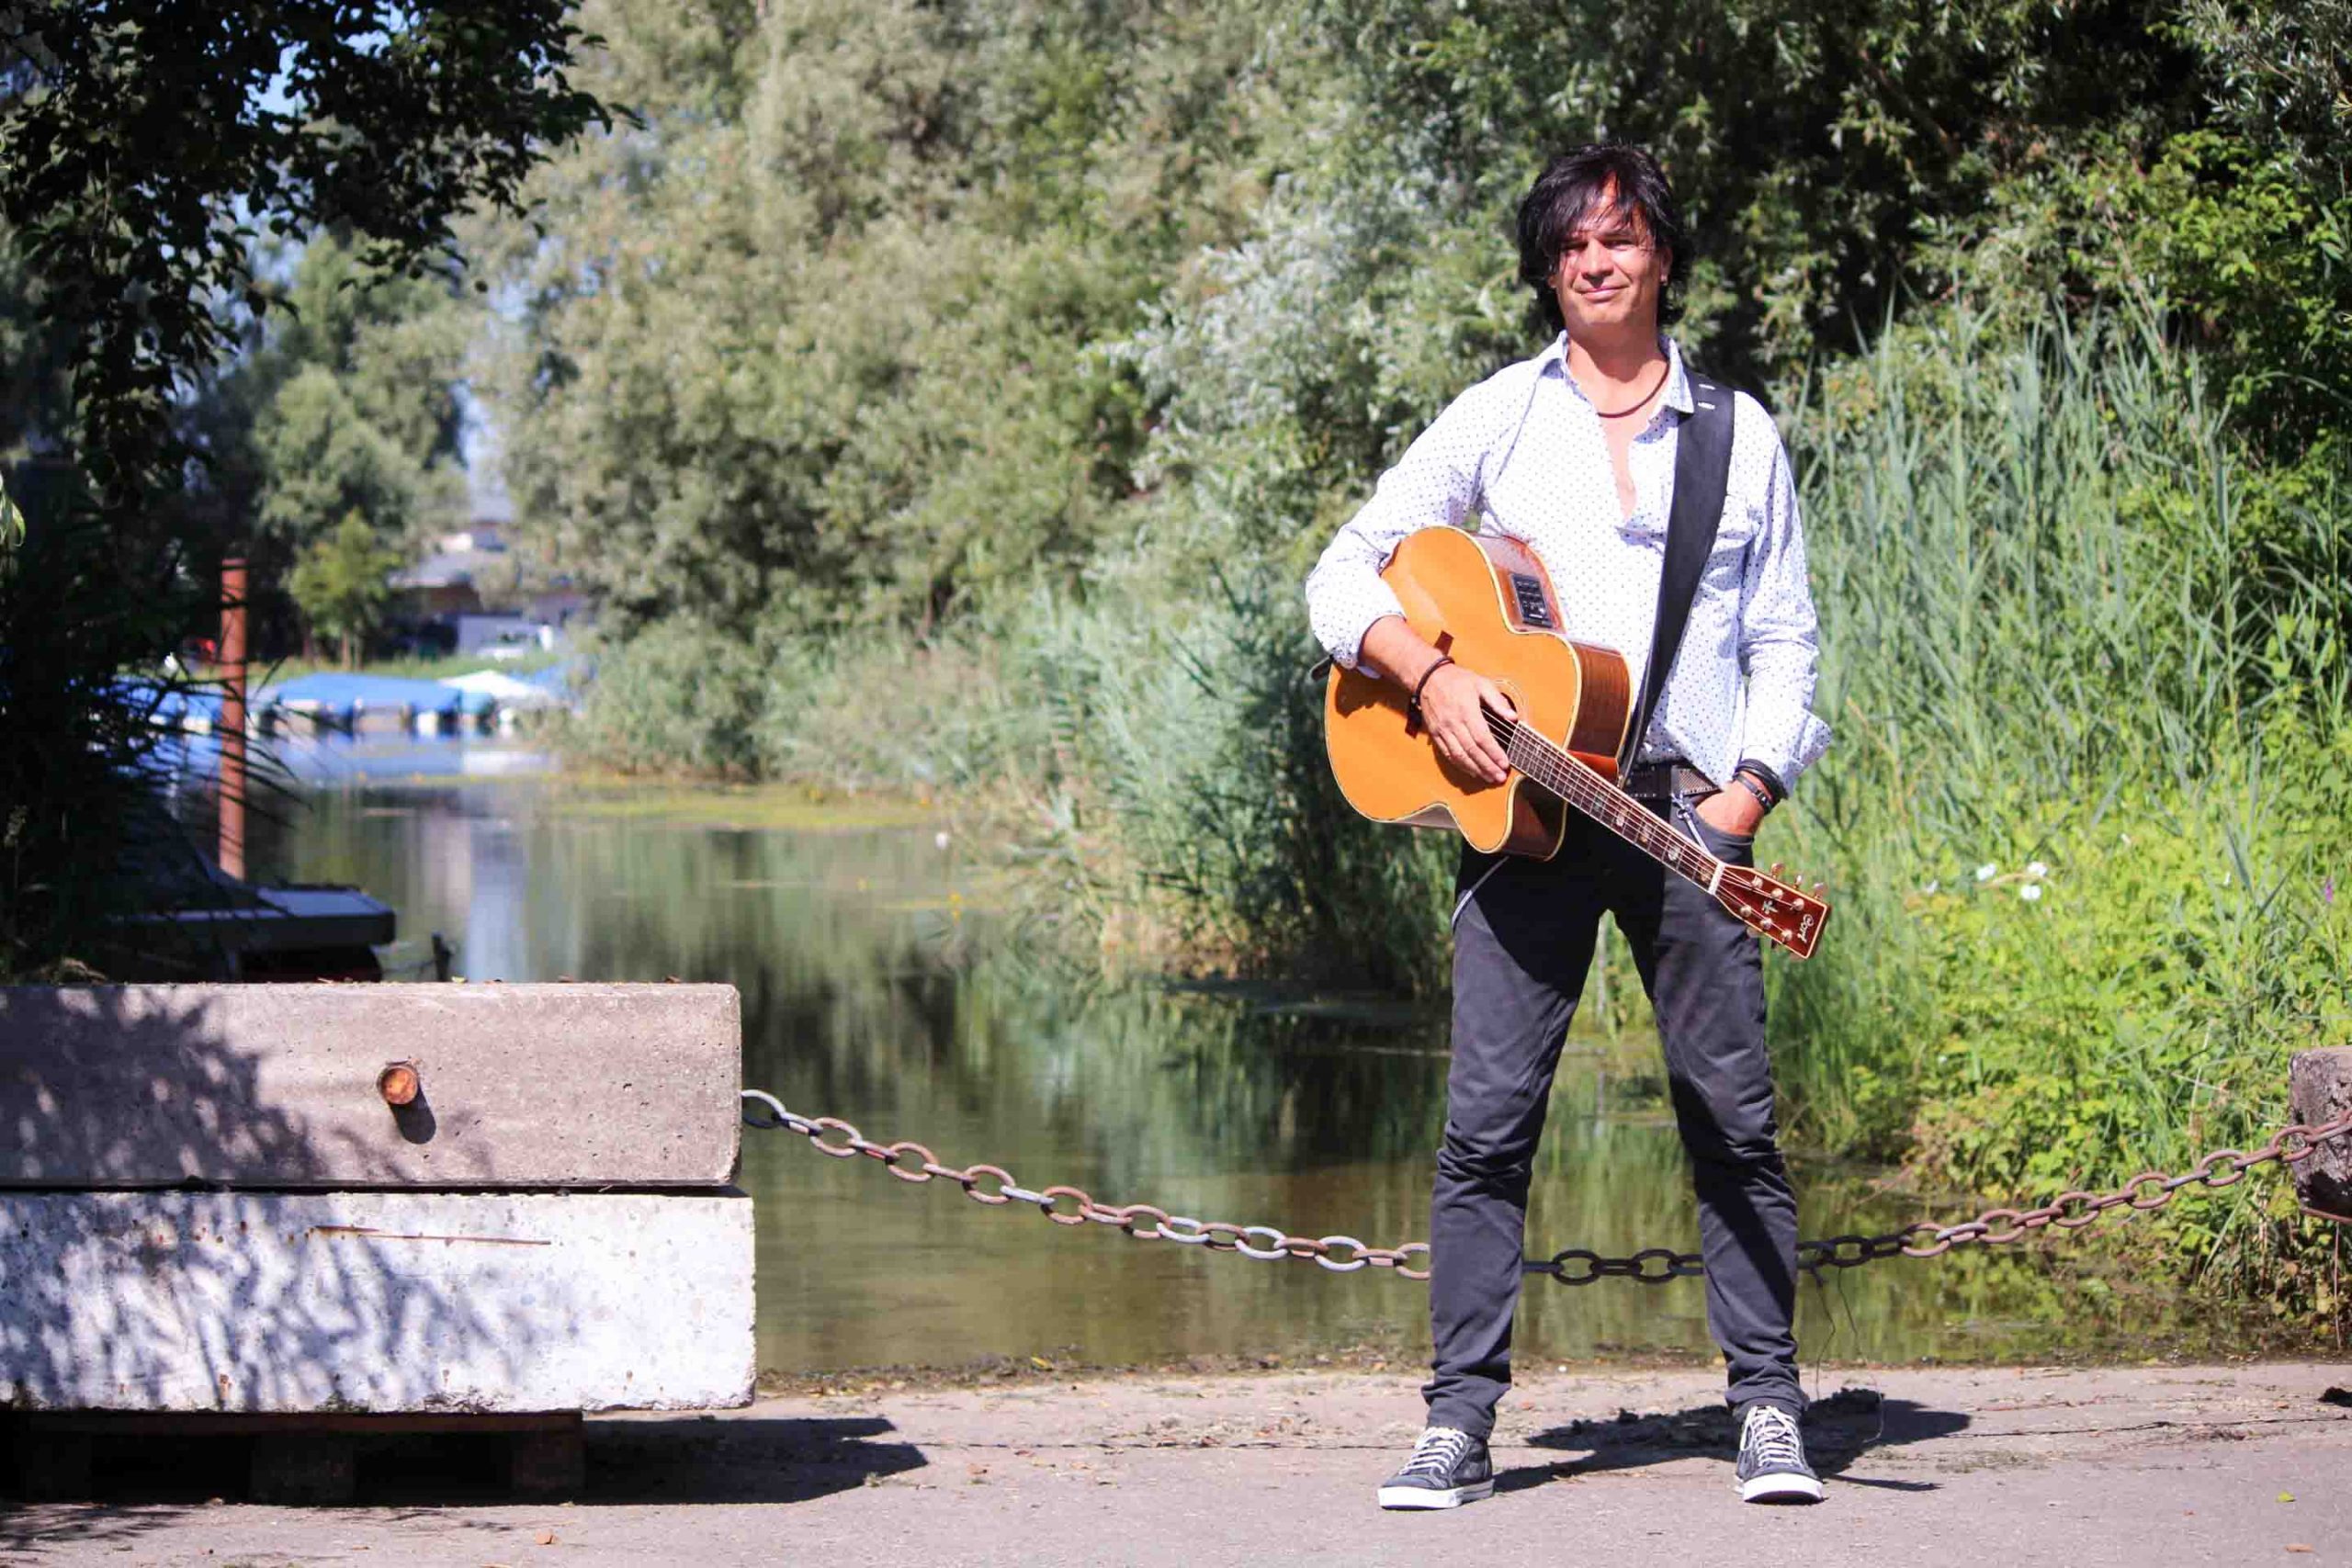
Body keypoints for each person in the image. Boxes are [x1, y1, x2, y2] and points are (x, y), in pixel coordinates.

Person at [1303, 142, 1833, 1509]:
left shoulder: (1741, 434)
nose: (1598, 260)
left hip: (1687, 814)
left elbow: (1784, 636)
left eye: (1622, 236)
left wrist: (1749, 791)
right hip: (1523, 812)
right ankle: (1457, 1425)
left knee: (1733, 1119)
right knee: (1486, 1126)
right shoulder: (1498, 416)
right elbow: (1340, 573)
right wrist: (1431, 675)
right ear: (1549, 268)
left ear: (1663, 255)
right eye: (1574, 243)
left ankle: (1769, 1408)